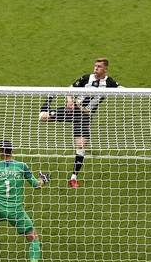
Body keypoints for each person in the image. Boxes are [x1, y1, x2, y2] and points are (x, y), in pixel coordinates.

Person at [39, 58, 123, 188]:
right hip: (74, 109)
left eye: (99, 66)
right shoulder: (86, 78)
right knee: (42, 118)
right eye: (95, 66)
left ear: (105, 69)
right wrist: (69, 100)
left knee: (81, 148)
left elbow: (122, 88)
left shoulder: (109, 82)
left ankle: (73, 178)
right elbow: (70, 88)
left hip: (85, 117)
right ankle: (50, 96)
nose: (96, 68)